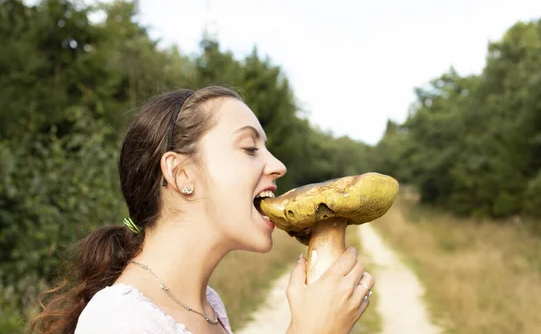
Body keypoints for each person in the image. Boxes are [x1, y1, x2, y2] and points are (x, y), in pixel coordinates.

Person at [30, 86, 375, 334]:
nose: (278, 166)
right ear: (182, 175)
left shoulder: (209, 306)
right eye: (249, 148)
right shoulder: (119, 322)